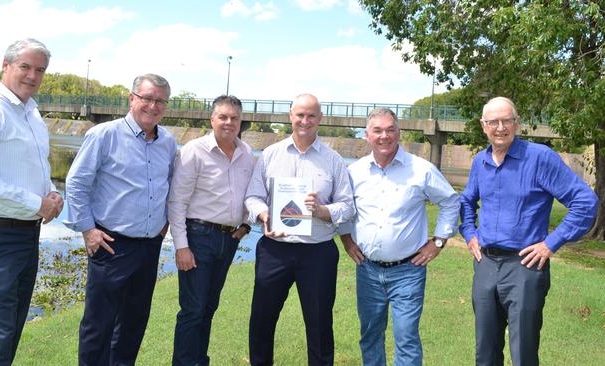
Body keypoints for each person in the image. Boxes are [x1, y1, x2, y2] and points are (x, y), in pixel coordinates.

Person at [460, 96, 599, 365]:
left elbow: (585, 201)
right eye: (493, 122)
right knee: (485, 352)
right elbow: (467, 200)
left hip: (525, 266)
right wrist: (469, 233)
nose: (500, 127)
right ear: (483, 125)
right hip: (485, 264)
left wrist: (550, 243)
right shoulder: (480, 161)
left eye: (506, 120)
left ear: (517, 122)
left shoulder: (540, 158)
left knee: (523, 352)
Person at [0, 38, 63, 365]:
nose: (33, 75)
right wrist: (36, 203)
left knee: (8, 332)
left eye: (40, 70)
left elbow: (31, 166)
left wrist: (51, 193)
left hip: (24, 233)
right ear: (6, 66)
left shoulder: (30, 111)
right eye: (25, 67)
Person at [64, 74, 177, 365]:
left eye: (160, 101)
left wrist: (164, 224)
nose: (153, 106)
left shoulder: (168, 142)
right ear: (132, 98)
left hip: (149, 246)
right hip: (111, 244)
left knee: (134, 321)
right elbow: (76, 184)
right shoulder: (104, 134)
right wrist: (87, 229)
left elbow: (169, 185)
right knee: (99, 323)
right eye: (147, 98)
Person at [339, 107, 460, 365]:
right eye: (378, 130)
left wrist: (438, 242)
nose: (385, 136)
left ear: (399, 133)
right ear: (366, 135)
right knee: (370, 335)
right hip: (368, 271)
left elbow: (451, 201)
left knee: (406, 338)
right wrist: (347, 239)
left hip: (408, 271)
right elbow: (343, 209)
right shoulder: (355, 172)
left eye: (390, 130)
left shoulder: (421, 170)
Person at [244, 93, 355, 366]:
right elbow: (252, 197)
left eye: (311, 116)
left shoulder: (333, 160)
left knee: (319, 324)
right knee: (262, 319)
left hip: (318, 252)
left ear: (320, 119)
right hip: (275, 250)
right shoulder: (270, 154)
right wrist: (263, 213)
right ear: (290, 116)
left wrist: (323, 211)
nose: (305, 121)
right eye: (300, 115)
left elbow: (348, 205)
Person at [168, 95, 255, 366]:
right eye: (223, 117)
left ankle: (199, 360)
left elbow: (251, 194)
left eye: (234, 118)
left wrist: (246, 223)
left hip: (228, 239)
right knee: (192, 310)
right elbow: (177, 200)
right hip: (198, 237)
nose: (229, 123)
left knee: (208, 307)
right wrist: (181, 246)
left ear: (241, 122)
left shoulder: (247, 153)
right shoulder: (194, 151)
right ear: (212, 119)